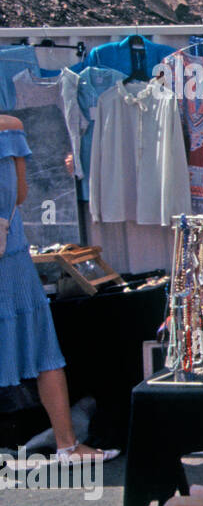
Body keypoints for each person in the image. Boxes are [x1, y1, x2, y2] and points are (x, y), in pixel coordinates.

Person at [0, 113, 113, 460]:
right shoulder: (10, 128)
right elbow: (18, 194)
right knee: (43, 350)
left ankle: (67, 443)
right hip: (10, 253)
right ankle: (67, 444)